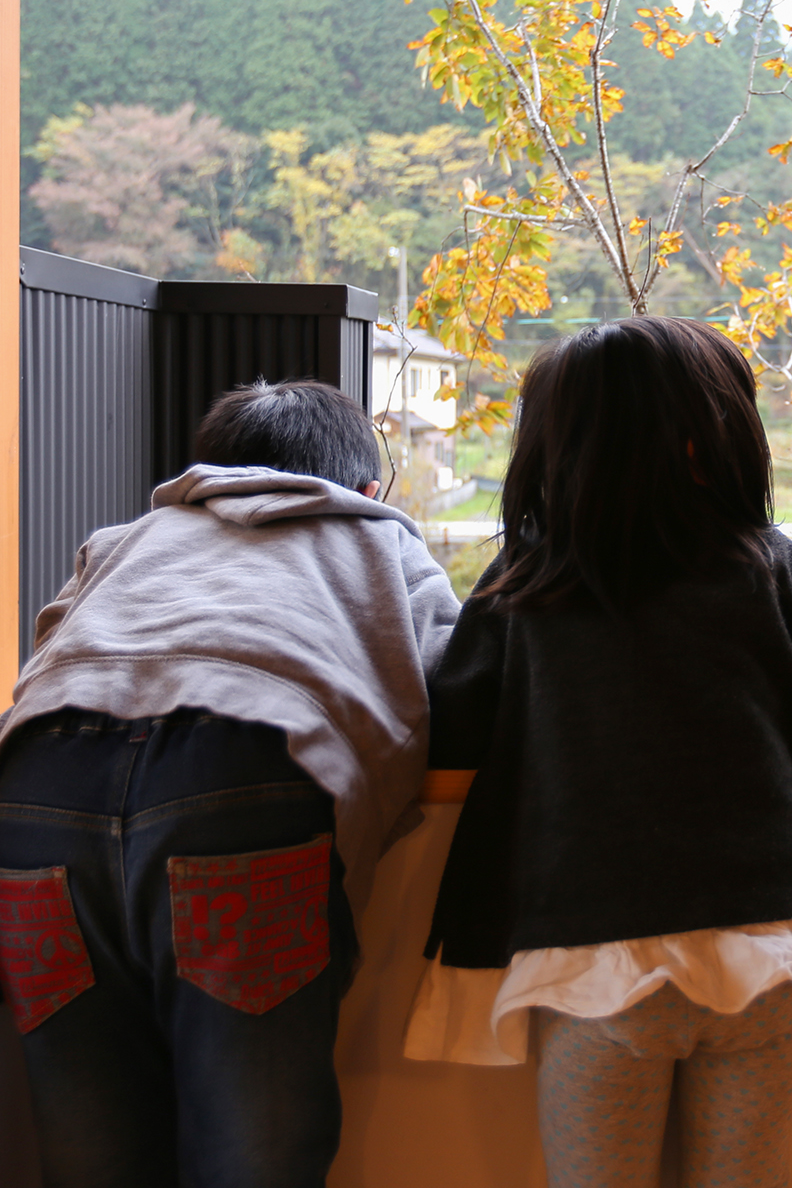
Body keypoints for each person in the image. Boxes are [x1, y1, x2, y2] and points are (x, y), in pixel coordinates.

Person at [404, 318, 792, 1188]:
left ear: (556, 442)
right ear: (712, 432)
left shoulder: (530, 579)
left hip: (597, 957)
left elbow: (457, 723)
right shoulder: (768, 565)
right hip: (764, 940)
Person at [0, 378, 460, 1188]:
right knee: (254, 1152)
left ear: (209, 471)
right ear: (364, 488)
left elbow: (45, 651)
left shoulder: (124, 542)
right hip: (236, 769)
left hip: (39, 783)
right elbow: (459, 690)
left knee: (88, 1149)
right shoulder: (382, 543)